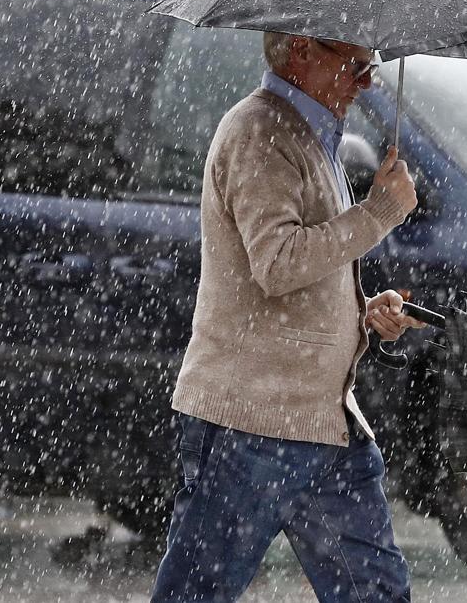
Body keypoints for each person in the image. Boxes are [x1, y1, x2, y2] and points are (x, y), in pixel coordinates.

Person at [150, 31, 425, 602]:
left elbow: (300, 272)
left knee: (375, 592)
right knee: (197, 594)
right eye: (354, 65)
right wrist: (378, 213)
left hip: (322, 422)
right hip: (250, 421)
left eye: (371, 66)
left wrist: (360, 313)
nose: (367, 81)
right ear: (301, 51)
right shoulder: (260, 133)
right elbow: (276, 264)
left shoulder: (310, 132)